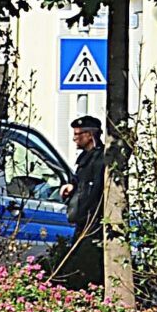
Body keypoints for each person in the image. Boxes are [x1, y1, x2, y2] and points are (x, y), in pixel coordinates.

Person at [51, 116, 106, 289]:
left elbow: (95, 191)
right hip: (83, 222)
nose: (74, 138)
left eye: (78, 134)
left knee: (88, 263)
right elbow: (80, 183)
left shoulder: (100, 159)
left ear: (90, 135)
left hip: (93, 222)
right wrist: (70, 187)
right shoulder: (84, 158)